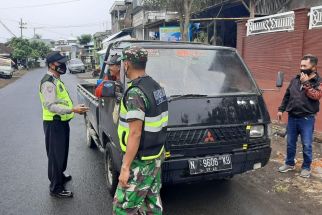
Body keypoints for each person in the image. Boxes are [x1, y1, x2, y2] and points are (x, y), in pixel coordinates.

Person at [113, 46, 168, 214]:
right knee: (152, 203)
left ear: (127, 64)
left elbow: (135, 133)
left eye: (123, 63)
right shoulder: (155, 86)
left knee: (122, 208)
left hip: (140, 160)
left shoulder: (135, 93)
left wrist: (125, 167)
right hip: (156, 155)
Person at [39, 51, 89, 198]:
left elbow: (62, 100)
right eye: (60, 62)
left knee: (61, 153)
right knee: (55, 156)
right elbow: (50, 106)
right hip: (53, 124)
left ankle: (59, 175)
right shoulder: (48, 82)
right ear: (51, 65)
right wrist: (72, 109)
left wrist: (72, 108)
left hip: (61, 122)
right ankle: (56, 188)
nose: (63, 64)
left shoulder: (56, 79)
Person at [278, 54, 322, 178]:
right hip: (292, 117)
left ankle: (306, 167)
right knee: (290, 142)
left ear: (313, 67)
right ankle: (289, 163)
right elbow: (287, 95)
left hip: (307, 118)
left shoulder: (318, 81)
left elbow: (317, 96)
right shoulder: (295, 79)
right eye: (301, 65)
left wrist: (306, 83)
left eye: (305, 66)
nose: (302, 68)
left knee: (307, 144)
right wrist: (281, 109)